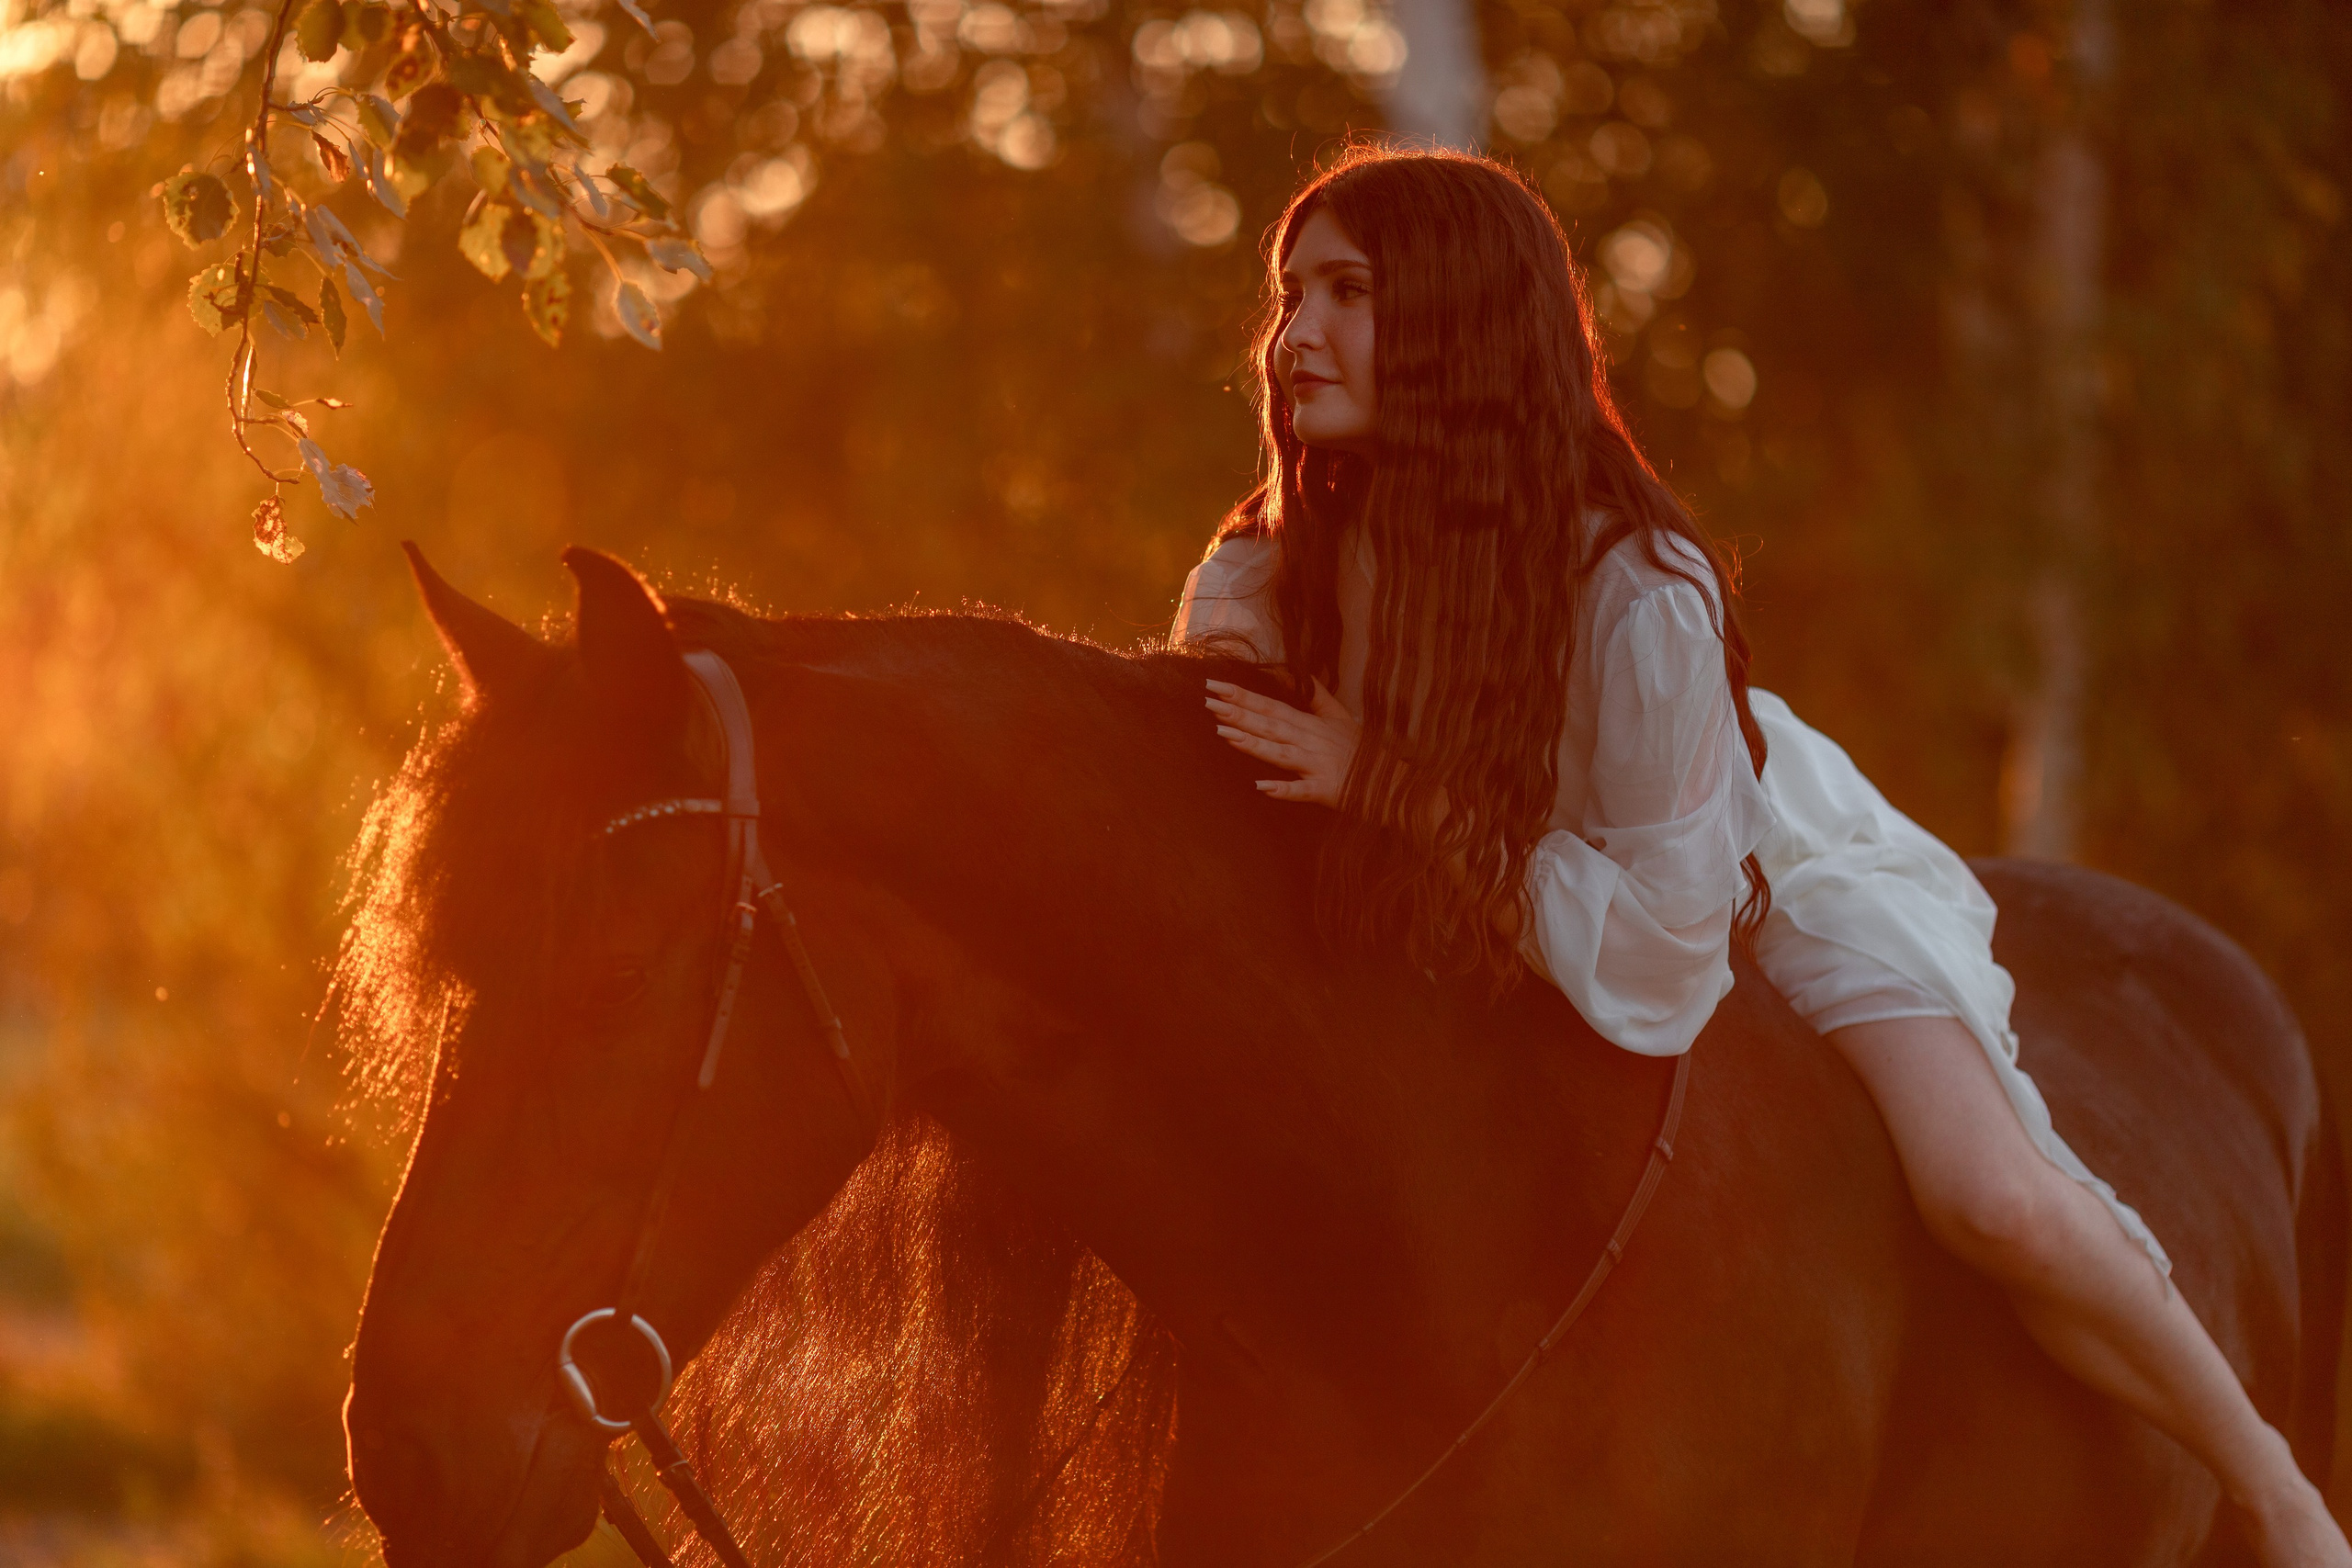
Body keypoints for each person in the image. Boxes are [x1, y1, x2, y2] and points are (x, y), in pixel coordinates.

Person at [1170, 144, 2348, 1565]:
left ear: (1459, 314)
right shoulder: (1268, 565)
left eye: (1347, 293)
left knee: (1994, 1197)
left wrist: (1389, 789)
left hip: (1745, 875)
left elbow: (1668, 951)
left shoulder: (1634, 594)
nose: (1296, 336)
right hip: (1508, 889)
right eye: (1290, 296)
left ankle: (2275, 1493)